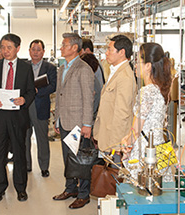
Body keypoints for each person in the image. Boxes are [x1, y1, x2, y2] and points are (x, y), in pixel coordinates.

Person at [0, 33, 35, 202]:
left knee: (19, 154)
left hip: (18, 116)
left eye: (9, 47)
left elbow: (31, 91)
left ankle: (21, 188)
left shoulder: (26, 68)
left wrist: (24, 99)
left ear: (17, 48)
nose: (5, 51)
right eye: (3, 47)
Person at [53, 33, 94, 209]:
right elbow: (59, 96)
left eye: (64, 45)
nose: (61, 47)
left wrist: (87, 124)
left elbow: (88, 99)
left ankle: (84, 194)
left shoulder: (83, 69)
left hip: (78, 123)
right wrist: (56, 120)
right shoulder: (62, 68)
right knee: (67, 158)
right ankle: (70, 188)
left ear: (74, 48)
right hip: (64, 121)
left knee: (81, 160)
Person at [121, 42, 173, 182]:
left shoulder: (148, 91)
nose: (135, 65)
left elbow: (136, 130)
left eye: (138, 61)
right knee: (159, 191)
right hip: (159, 146)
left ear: (148, 66)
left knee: (144, 190)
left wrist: (126, 143)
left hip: (146, 149)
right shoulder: (158, 88)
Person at [93, 35, 136, 166]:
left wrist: (116, 145)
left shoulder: (125, 77)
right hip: (106, 135)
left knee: (114, 177)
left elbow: (122, 114)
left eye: (110, 49)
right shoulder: (115, 71)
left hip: (114, 141)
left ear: (122, 52)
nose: (106, 53)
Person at [25, 39, 57, 177]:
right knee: (24, 138)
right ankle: (26, 165)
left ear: (43, 51)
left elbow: (53, 85)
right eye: (33, 49)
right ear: (29, 51)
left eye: (38, 50)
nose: (36, 52)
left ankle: (44, 167)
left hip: (41, 105)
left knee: (42, 139)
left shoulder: (49, 68)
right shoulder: (24, 66)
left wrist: (39, 91)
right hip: (25, 107)